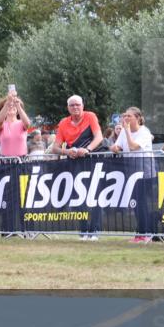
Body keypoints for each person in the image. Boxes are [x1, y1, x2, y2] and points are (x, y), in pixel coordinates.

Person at [52, 94, 104, 240]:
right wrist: (67, 152)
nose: (75, 107)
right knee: (78, 196)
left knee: (94, 194)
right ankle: (83, 230)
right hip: (74, 163)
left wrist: (87, 149)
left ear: (83, 106)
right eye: (72, 105)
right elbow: (55, 148)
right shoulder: (63, 123)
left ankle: (95, 230)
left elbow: (99, 137)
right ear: (68, 108)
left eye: (78, 104)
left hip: (92, 160)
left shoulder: (90, 116)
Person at [110, 107, 157, 243]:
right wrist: (115, 148)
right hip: (131, 169)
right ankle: (142, 233)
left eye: (129, 116)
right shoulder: (124, 132)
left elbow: (132, 147)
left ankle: (144, 233)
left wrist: (127, 131)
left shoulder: (144, 132)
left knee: (140, 201)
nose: (126, 118)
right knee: (135, 202)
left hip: (145, 170)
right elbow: (116, 147)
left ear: (137, 118)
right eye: (125, 116)